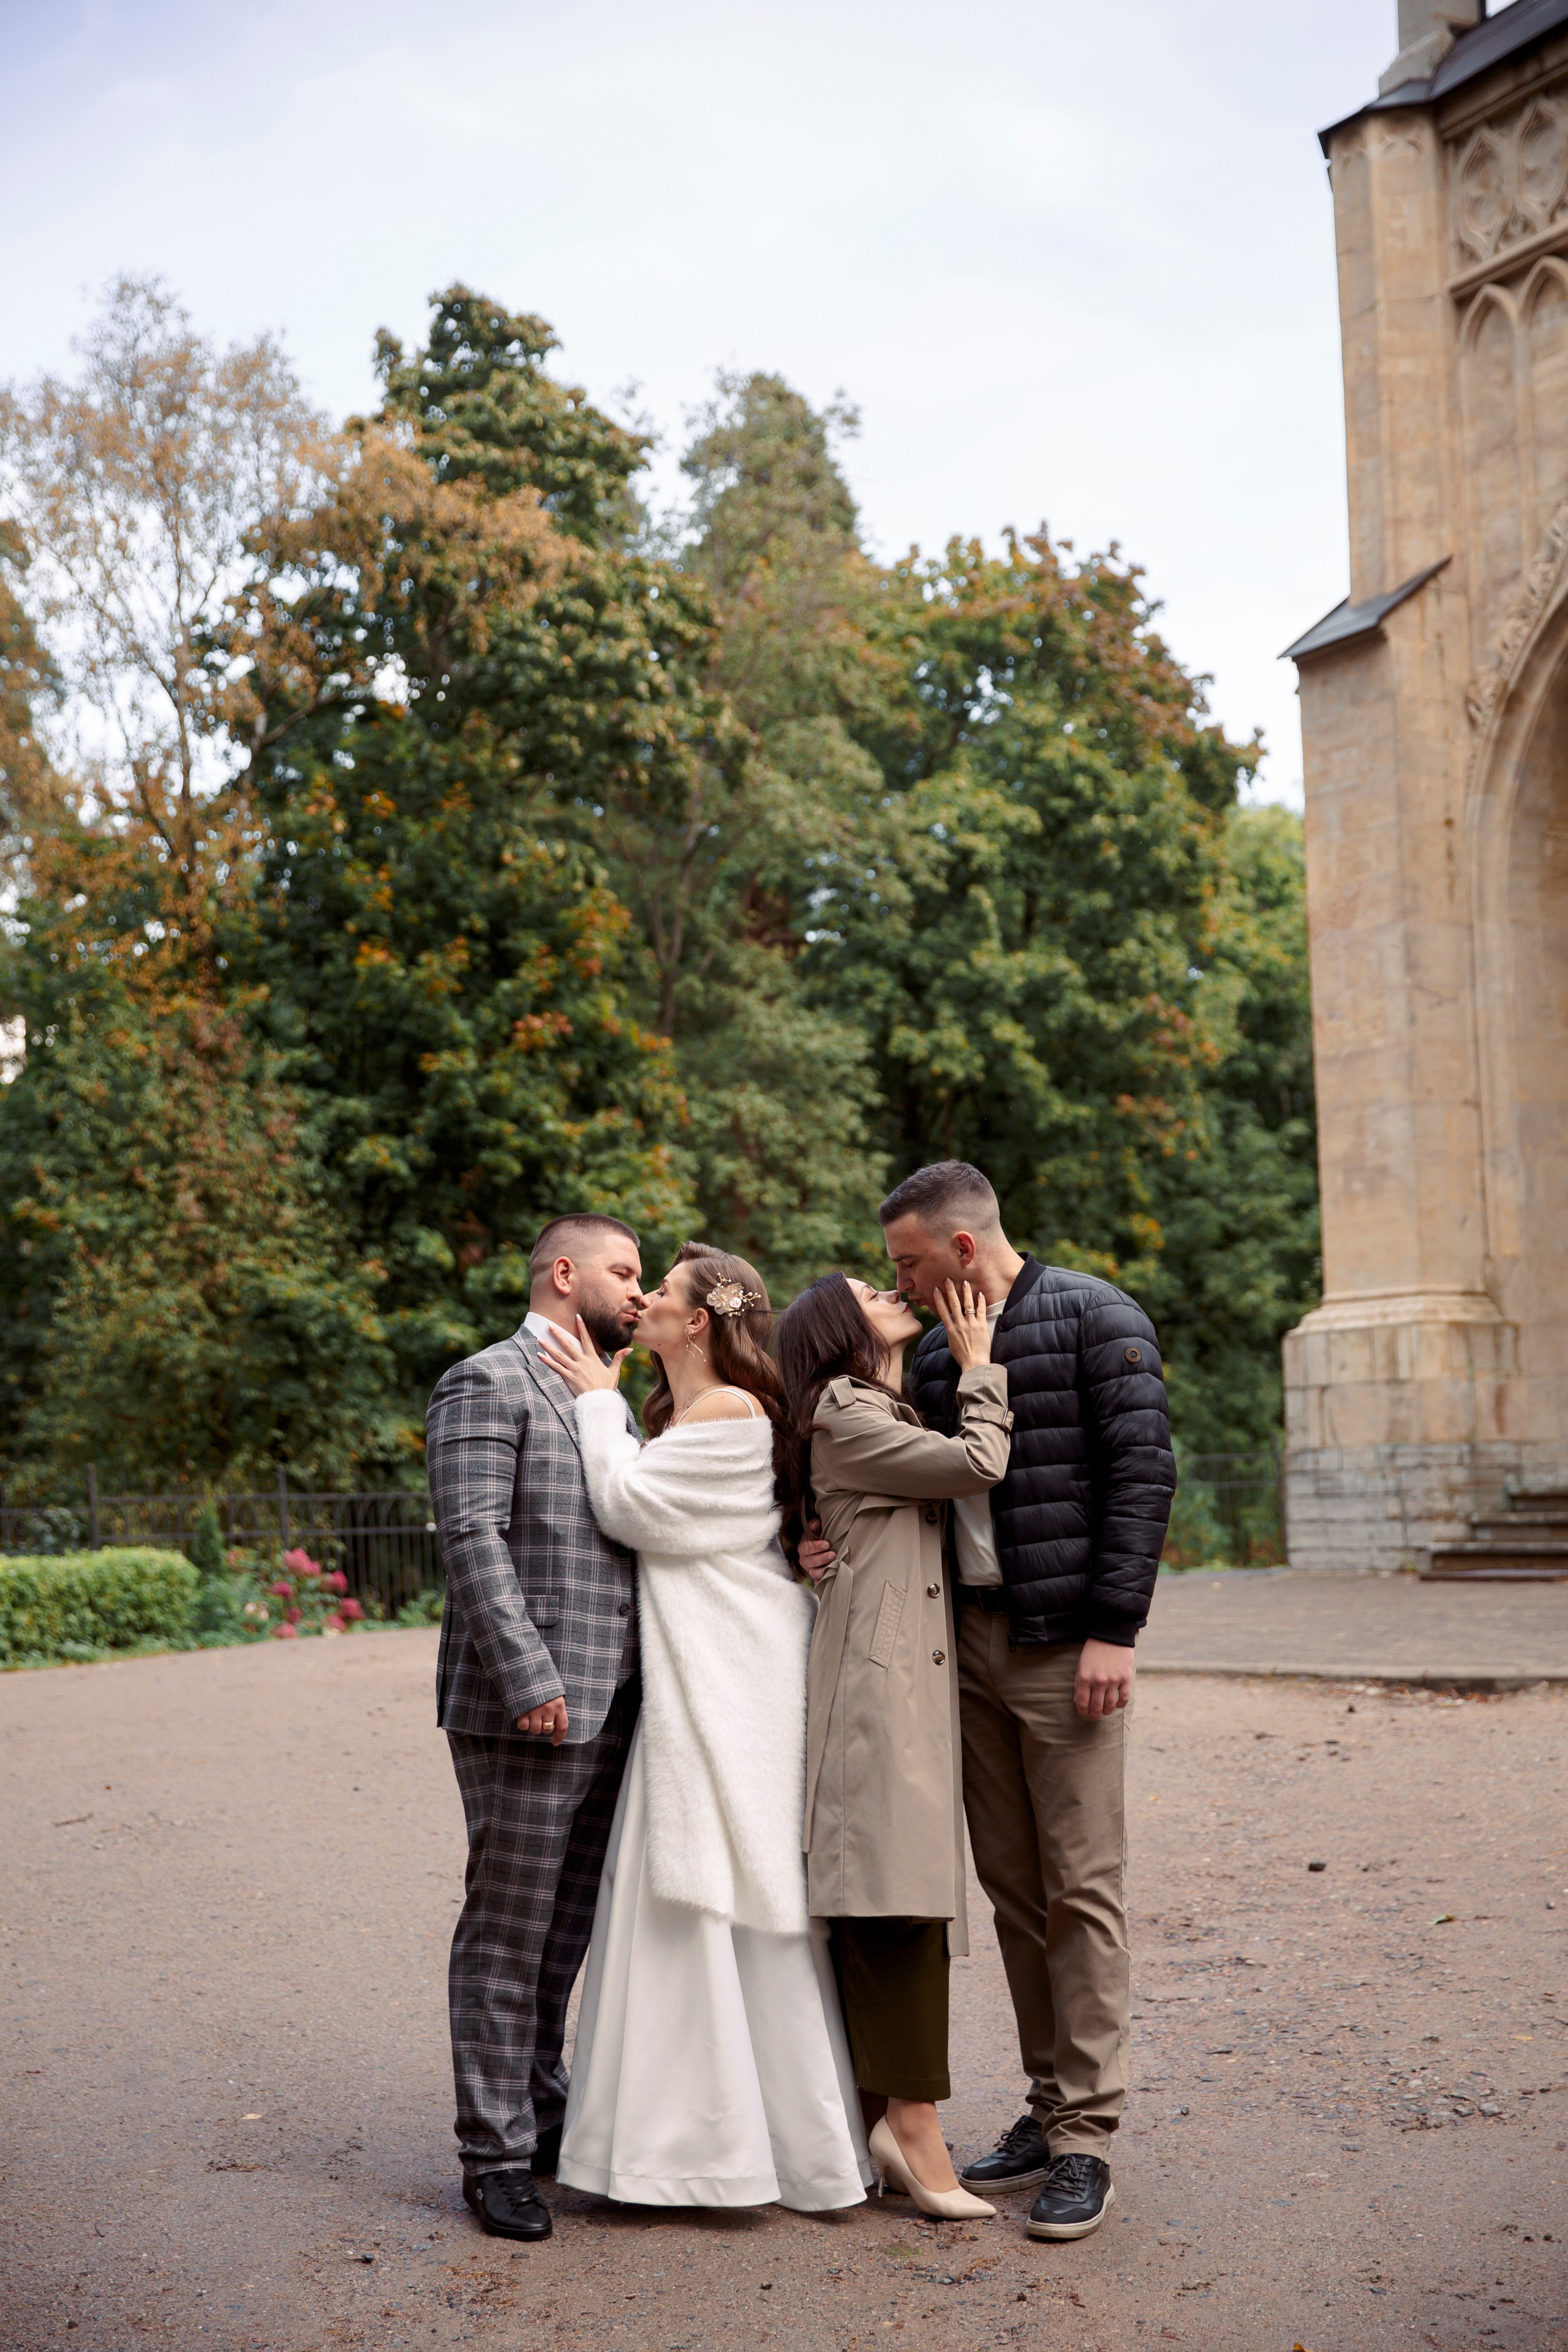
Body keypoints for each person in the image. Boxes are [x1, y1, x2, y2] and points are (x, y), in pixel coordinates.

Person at [538, 1241, 869, 2213]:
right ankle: (683, 2145)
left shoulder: (729, 1411)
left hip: (737, 1674)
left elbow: (630, 1505)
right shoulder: (690, 1412)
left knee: (726, 1894)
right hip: (705, 1673)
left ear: (697, 1324)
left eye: (662, 1294)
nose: (640, 1301)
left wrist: (596, 1400)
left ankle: (719, 2153)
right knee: (688, 1893)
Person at [884, 1161, 1175, 2243]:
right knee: (1013, 1891)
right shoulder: (922, 1352)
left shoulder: (1096, 1316)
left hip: (1068, 1647)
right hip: (962, 1645)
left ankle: (1089, 2139)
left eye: (908, 1261)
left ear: (962, 1248)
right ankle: (1051, 2110)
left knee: (1083, 1888)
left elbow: (1143, 1475)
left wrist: (1117, 1628)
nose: (901, 1281)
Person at [425, 1212, 647, 2244]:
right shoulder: (485, 1381)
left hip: (617, 1704)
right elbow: (470, 1535)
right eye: (624, 1272)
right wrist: (525, 1675)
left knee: (569, 1928)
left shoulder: (612, 1400)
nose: (639, 1292)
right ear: (566, 1275)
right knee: (509, 1931)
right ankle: (493, 2156)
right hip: (530, 1707)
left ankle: (542, 2107)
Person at [774, 1270, 1011, 2222]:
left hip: (904, 1670)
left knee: (899, 1886)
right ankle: (911, 2126)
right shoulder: (841, 1407)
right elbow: (978, 1464)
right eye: (871, 1287)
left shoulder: (876, 1403)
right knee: (890, 1888)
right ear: (839, 1323)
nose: (891, 1289)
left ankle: (884, 2114)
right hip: (879, 1680)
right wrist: (982, 1369)